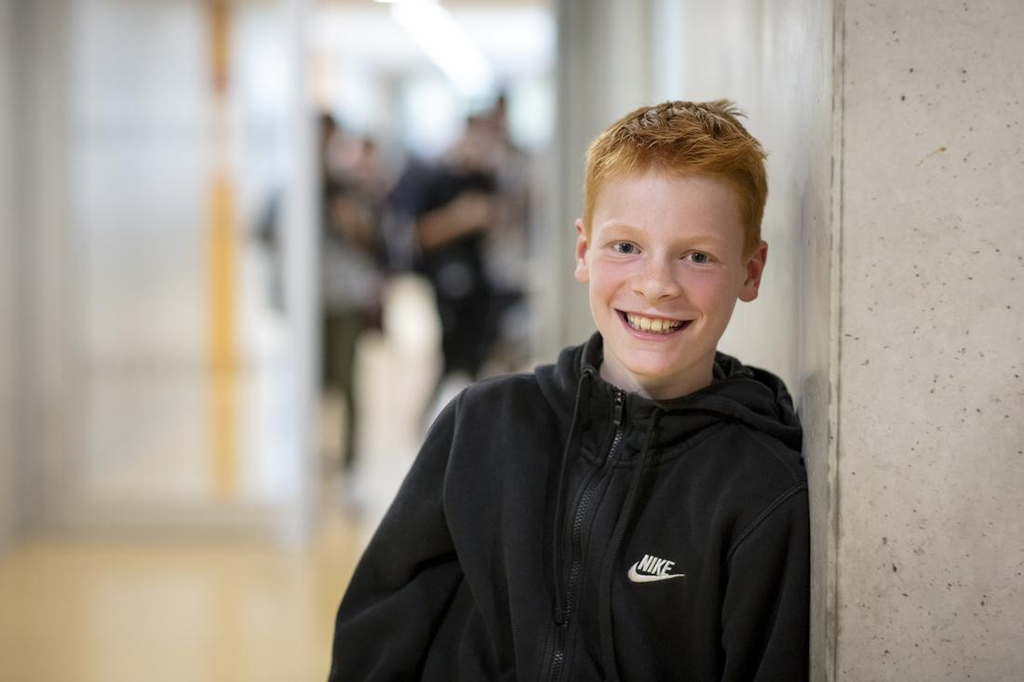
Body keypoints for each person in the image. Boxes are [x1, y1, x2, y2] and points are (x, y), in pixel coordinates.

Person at [328, 100, 809, 681]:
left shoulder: (760, 491)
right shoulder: (481, 427)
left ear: (750, 271)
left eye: (697, 256)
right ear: (583, 251)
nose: (656, 285)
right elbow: (379, 634)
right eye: (626, 247)